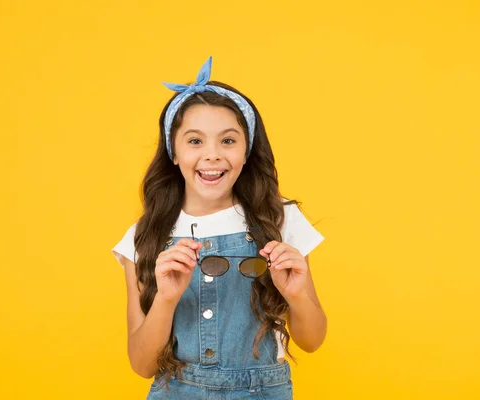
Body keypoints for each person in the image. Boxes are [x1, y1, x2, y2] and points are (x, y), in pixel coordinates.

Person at [112, 56, 327, 399]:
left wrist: (296, 294)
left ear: (246, 151)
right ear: (174, 152)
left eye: (228, 141)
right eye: (195, 141)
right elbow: (142, 364)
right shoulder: (144, 235)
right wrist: (166, 299)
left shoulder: (278, 219)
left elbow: (312, 340)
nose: (212, 155)